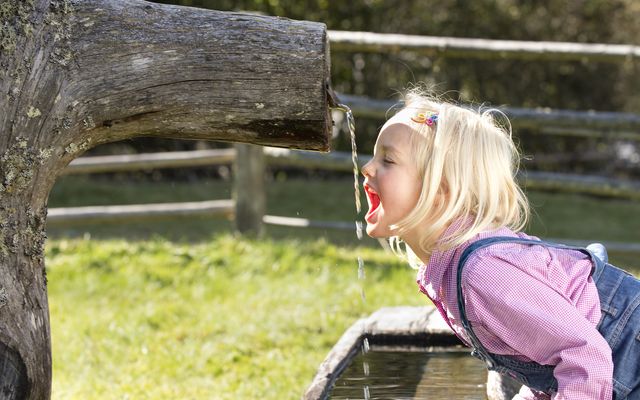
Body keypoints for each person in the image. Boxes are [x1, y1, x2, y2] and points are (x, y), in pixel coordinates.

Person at [360, 88, 640, 400]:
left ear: (440, 190)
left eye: (387, 160)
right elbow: (546, 358)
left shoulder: (481, 274)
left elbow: (585, 356)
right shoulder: (455, 268)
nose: (367, 167)